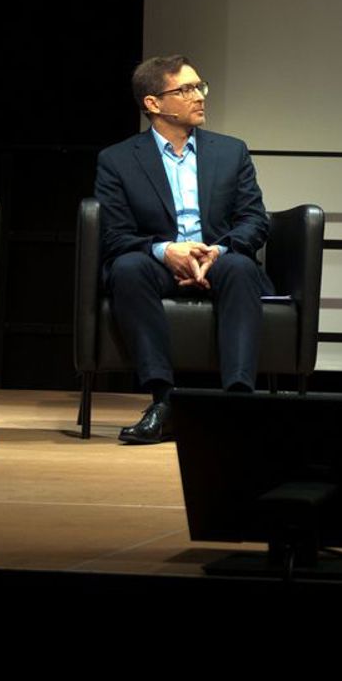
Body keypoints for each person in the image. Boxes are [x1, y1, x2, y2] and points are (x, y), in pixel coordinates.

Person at [95, 56, 272, 444]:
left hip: (217, 258)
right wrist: (166, 251)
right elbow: (115, 234)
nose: (199, 96)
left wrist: (217, 252)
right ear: (153, 103)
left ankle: (238, 400)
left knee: (242, 268)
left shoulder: (231, 152)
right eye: (186, 89)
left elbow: (254, 220)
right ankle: (164, 401)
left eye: (199, 87)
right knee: (126, 268)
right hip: (155, 262)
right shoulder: (117, 160)